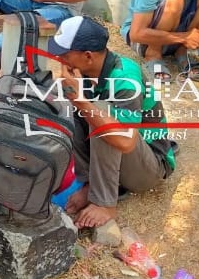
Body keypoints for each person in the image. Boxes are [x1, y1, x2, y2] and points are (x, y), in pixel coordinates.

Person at [48, 16, 178, 229]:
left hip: (150, 166)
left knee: (101, 112)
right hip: (120, 160)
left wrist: (80, 100)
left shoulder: (125, 78)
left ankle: (104, 203)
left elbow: (125, 141)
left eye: (64, 54)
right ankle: (89, 183)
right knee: (66, 102)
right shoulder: (87, 71)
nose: (59, 59)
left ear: (88, 56)